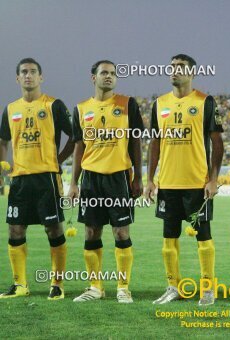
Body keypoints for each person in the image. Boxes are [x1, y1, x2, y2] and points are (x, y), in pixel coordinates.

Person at [145, 54, 224, 306]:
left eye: (181, 67)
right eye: (172, 67)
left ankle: (208, 289)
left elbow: (217, 143)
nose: (175, 71)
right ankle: (172, 286)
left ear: (192, 73)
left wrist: (212, 180)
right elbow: (154, 144)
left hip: (196, 185)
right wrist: (149, 179)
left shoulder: (205, 102)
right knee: (169, 239)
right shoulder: (159, 104)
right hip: (168, 184)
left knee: (203, 238)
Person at [68, 60, 144, 303]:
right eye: (104, 73)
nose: (109, 77)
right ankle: (95, 287)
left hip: (118, 177)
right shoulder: (80, 109)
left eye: (113, 73)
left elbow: (135, 142)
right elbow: (79, 147)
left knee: (121, 232)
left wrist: (139, 176)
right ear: (94, 78)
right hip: (90, 179)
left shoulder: (127, 104)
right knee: (91, 232)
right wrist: (73, 182)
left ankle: (123, 287)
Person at [0, 58, 74, 300]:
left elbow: (75, 137)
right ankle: (20, 284)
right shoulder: (11, 109)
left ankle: (57, 284)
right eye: (24, 72)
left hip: (47, 179)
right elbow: (3, 141)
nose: (28, 75)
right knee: (15, 229)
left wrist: (59, 160)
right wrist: (3, 168)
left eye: (33, 72)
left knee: (53, 228)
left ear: (41, 77)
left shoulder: (54, 105)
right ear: (18, 78)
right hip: (19, 179)